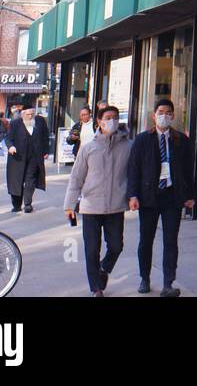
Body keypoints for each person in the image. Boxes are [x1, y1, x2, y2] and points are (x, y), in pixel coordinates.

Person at [127, 99, 195, 297]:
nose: (164, 115)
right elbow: (133, 170)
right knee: (145, 241)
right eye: (160, 112)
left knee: (171, 241)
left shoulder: (181, 139)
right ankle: (144, 278)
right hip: (149, 197)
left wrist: (190, 195)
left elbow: (188, 169)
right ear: (154, 115)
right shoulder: (142, 140)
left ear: (173, 116)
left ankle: (168, 283)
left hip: (172, 197)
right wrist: (132, 195)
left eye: (168, 112)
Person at [64, 105, 131, 297]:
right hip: (91, 206)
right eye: (108, 118)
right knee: (92, 249)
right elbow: (76, 178)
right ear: (99, 122)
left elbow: (133, 174)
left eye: (115, 117)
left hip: (116, 205)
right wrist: (69, 205)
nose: (112, 121)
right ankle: (96, 287)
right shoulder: (88, 147)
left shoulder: (128, 146)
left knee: (117, 246)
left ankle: (104, 269)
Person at [4, 101, 49, 213]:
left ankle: (28, 204)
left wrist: (46, 151)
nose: (30, 116)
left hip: (34, 157)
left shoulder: (40, 121)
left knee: (31, 180)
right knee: (16, 181)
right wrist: (10, 147)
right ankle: (16, 205)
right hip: (17, 157)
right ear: (22, 114)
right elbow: (8, 138)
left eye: (32, 114)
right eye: (28, 114)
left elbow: (45, 136)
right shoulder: (15, 124)